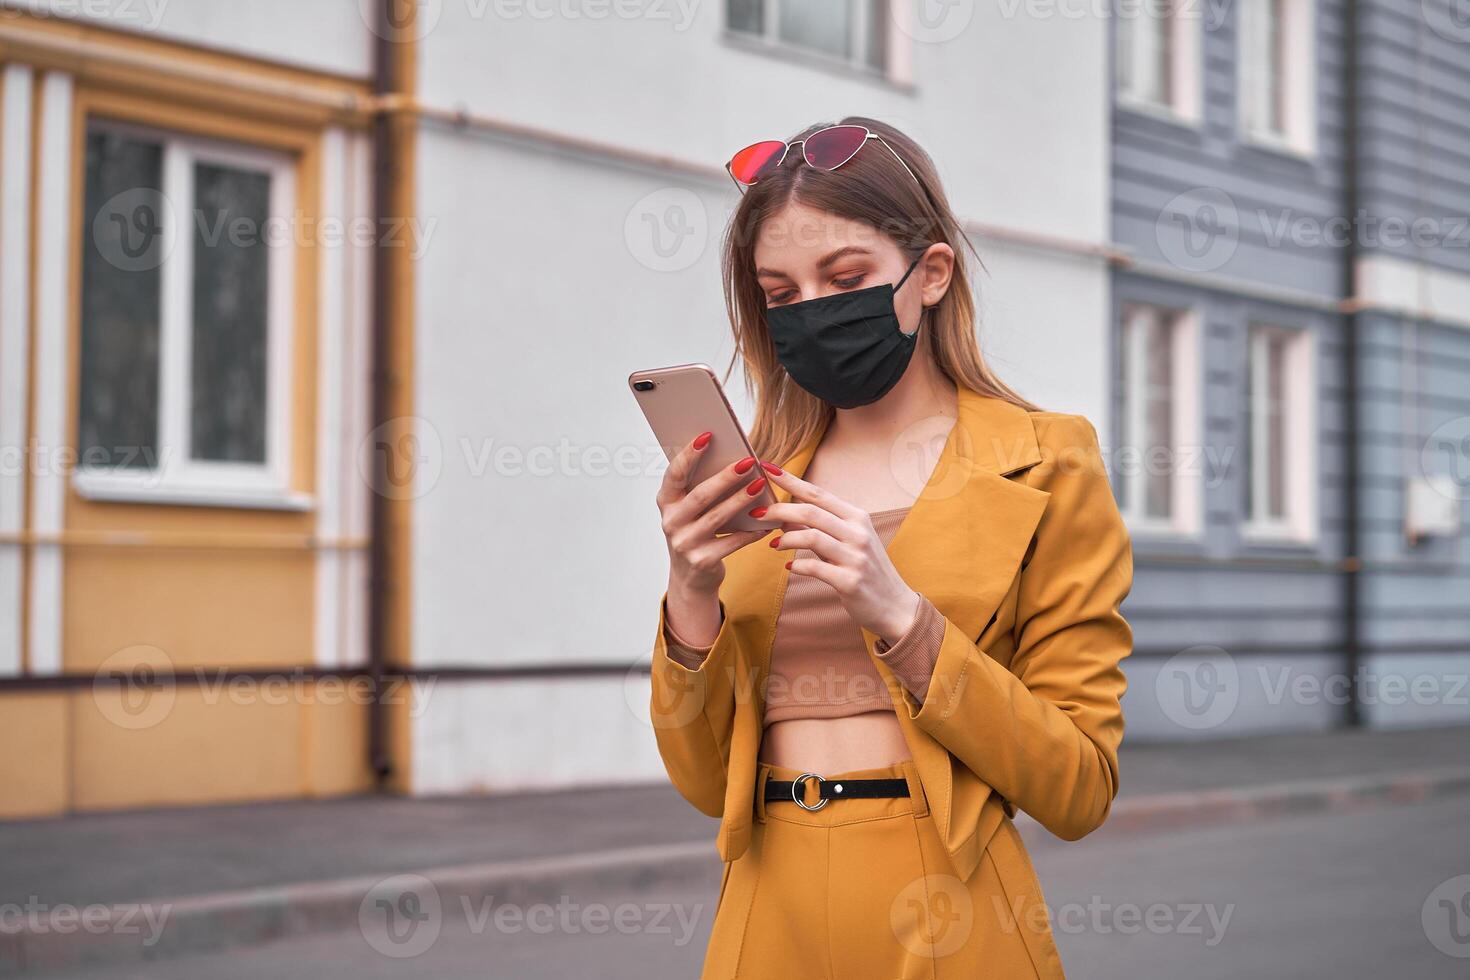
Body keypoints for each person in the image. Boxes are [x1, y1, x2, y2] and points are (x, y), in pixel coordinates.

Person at [649, 117, 1133, 978]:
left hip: (950, 901)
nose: (813, 312)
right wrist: (691, 596)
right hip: (769, 906)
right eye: (781, 293)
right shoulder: (757, 481)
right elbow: (702, 782)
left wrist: (904, 620)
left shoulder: (1047, 460)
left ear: (930, 275)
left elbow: (1079, 787)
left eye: (845, 278)